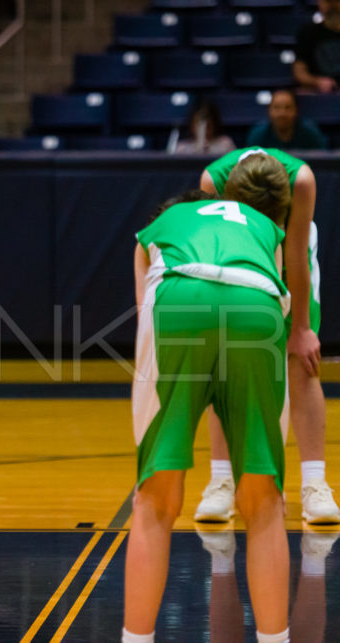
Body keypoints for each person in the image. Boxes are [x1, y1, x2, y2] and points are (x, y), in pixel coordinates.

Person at [125, 156, 293, 643]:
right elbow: (283, 299)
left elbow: (144, 315)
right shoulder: (266, 227)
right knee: (264, 500)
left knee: (155, 497)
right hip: (256, 304)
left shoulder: (155, 229)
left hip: (179, 300)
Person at [195, 146, 339, 526]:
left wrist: (302, 328)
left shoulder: (301, 180)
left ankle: (315, 485)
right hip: (237, 254)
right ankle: (221, 480)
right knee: (223, 361)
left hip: (291, 251)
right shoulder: (213, 181)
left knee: (301, 360)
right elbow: (218, 252)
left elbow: (294, 256)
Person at [294, 0, 340, 93]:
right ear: (319, 2)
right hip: (318, 92)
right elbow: (299, 71)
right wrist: (317, 81)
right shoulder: (308, 33)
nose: (333, 3)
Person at [246, 89, 327, 150]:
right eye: (277, 108)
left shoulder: (311, 133)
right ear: (269, 111)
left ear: (296, 110)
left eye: (287, 108)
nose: (282, 113)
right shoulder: (257, 136)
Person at [169, 100, 235, 155]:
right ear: (192, 124)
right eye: (198, 125)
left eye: (208, 126)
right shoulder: (181, 149)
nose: (205, 130)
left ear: (214, 124)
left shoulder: (226, 144)